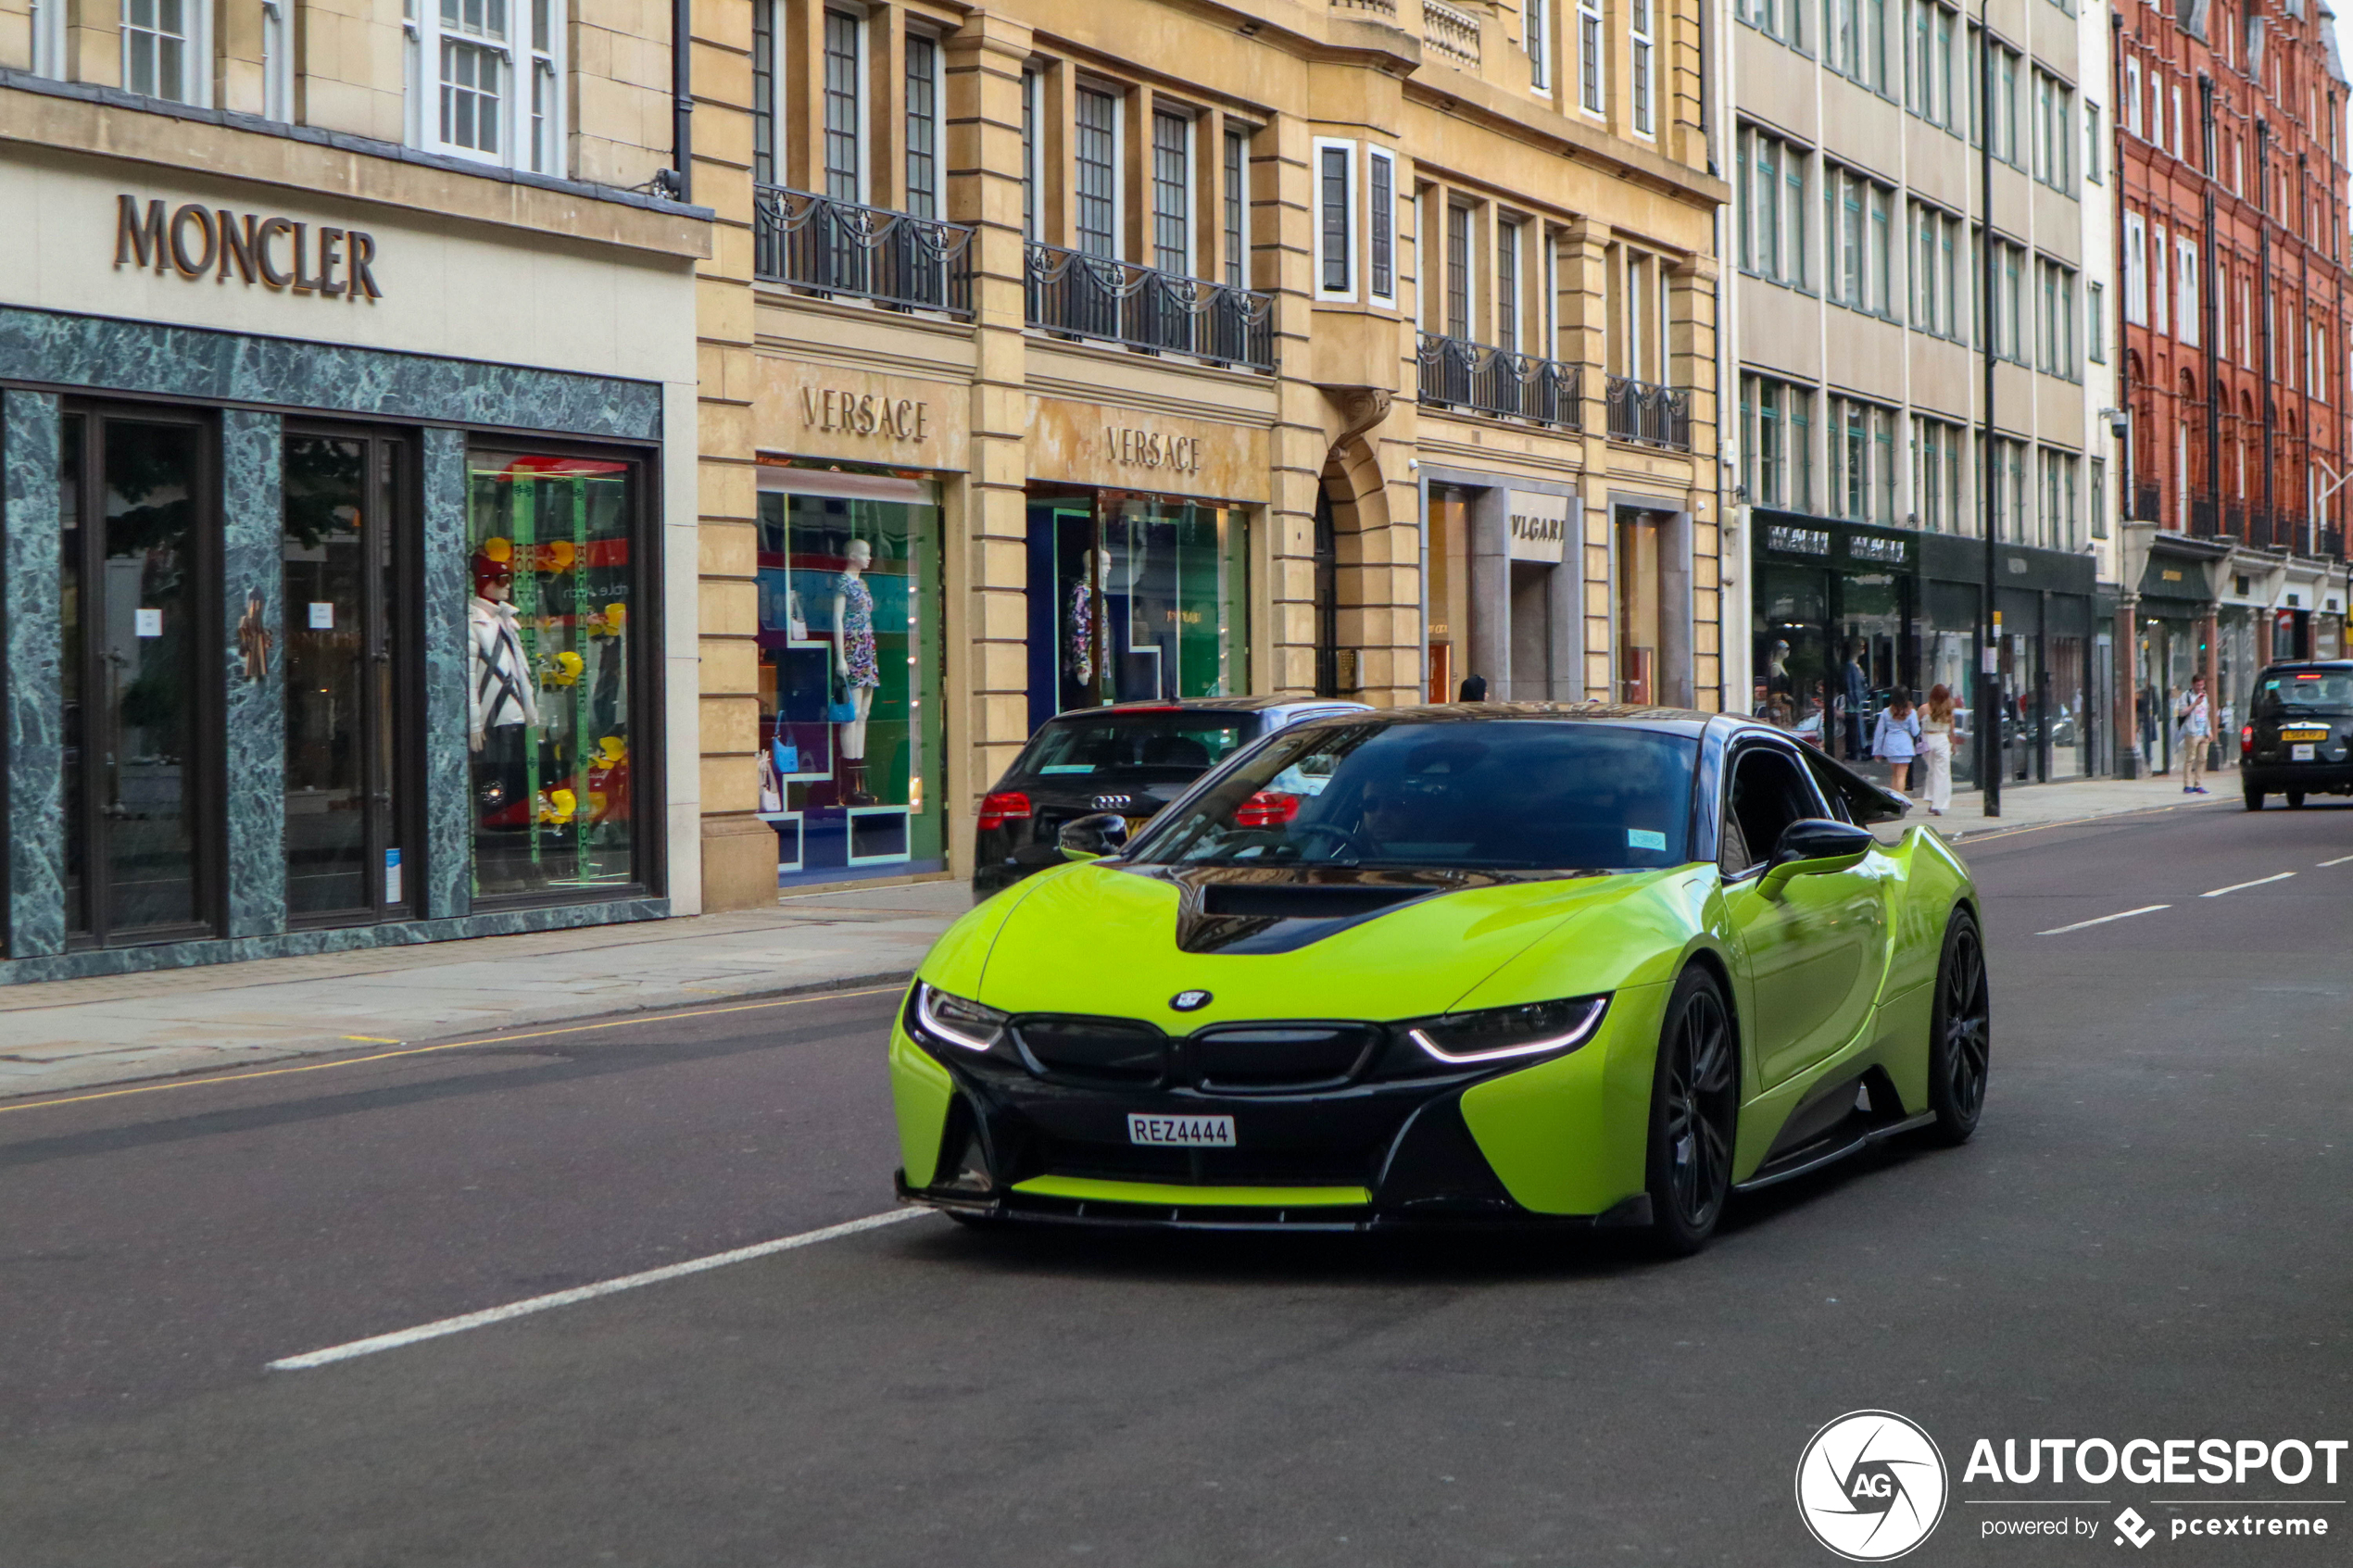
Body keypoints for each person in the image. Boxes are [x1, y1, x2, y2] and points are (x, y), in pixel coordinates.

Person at [1919, 684, 1959, 816]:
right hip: (1942, 739)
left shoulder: (1924, 708)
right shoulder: (1948, 710)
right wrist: (1954, 745)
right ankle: (1937, 804)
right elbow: (1952, 730)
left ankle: (1931, 798)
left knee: (1931, 770)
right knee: (1942, 773)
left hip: (1928, 739)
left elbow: (1916, 724)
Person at [1872, 690, 1922, 795]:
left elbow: (1879, 732)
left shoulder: (1886, 712)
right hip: (1905, 746)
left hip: (1890, 745)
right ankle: (1900, 800)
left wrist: (1877, 751)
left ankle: (1894, 798)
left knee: (1894, 774)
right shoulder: (1911, 713)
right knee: (1902, 775)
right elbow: (1915, 731)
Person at [2175, 674, 2213, 795]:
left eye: (2202, 685)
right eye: (2198, 685)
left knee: (2202, 759)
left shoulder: (2205, 697)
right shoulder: (2186, 696)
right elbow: (2181, 713)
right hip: (2192, 732)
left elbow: (2206, 714)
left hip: (2203, 732)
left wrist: (2209, 730)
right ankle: (2187, 785)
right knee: (2190, 758)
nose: (2200, 688)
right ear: (2193, 684)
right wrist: (2194, 704)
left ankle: (2199, 784)